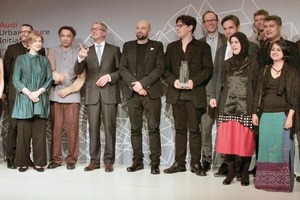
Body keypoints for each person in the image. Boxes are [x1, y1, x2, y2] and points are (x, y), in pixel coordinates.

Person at [163, 15, 213, 176]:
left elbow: (208, 69)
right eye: (176, 25)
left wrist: (194, 81)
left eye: (180, 25)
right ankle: (179, 163)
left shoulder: (202, 47)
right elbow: (165, 70)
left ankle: (195, 163)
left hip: (194, 94)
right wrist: (174, 81)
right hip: (177, 94)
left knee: (195, 130)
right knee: (179, 130)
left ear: (190, 27)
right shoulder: (171, 47)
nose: (177, 28)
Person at [209, 15, 258, 178]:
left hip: (245, 101)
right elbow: (217, 75)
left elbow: (255, 80)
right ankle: (228, 168)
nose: (228, 32)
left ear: (237, 27)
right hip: (227, 101)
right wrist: (214, 96)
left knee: (243, 137)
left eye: (231, 28)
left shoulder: (252, 49)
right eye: (225, 29)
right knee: (227, 136)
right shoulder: (222, 50)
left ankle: (242, 169)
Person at [253, 39, 299, 192]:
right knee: (266, 150)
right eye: (273, 49)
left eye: (278, 50)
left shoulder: (291, 71)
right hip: (266, 116)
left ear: (284, 53)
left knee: (282, 150)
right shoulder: (264, 70)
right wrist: (255, 113)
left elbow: (294, 96)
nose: (275, 52)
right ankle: (265, 182)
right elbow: (258, 93)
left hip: (283, 116)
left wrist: (291, 116)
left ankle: (282, 183)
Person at [74, 21, 121, 172]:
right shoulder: (86, 50)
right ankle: (94, 161)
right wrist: (80, 58)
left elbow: (121, 72)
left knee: (109, 128)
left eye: (97, 29)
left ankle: (108, 161)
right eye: (92, 29)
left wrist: (109, 77)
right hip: (92, 93)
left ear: (104, 32)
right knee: (93, 128)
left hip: (109, 93)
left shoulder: (114, 50)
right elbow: (77, 71)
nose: (94, 31)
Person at [119, 20, 164, 175]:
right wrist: (134, 85)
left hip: (151, 93)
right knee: (135, 129)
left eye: (143, 28)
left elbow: (159, 68)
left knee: (153, 128)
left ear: (149, 30)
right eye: (137, 27)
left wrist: (142, 84)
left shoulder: (157, 46)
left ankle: (155, 163)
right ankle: (137, 162)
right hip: (133, 94)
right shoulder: (127, 46)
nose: (140, 30)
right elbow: (122, 68)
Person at [4, 24, 45, 169]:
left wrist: (36, 92)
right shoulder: (12, 49)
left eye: (27, 32)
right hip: (17, 95)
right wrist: (23, 90)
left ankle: (29, 159)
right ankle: (11, 157)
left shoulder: (41, 53)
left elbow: (44, 76)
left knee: (31, 128)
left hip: (36, 97)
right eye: (21, 32)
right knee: (15, 127)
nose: (24, 34)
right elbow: (8, 73)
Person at [12, 31, 52, 172]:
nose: (38, 43)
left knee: (39, 135)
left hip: (40, 100)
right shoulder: (20, 59)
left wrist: (38, 92)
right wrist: (29, 93)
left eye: (40, 41)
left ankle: (39, 163)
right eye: (35, 41)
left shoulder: (44, 60)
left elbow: (49, 79)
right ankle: (23, 162)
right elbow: (16, 80)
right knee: (23, 135)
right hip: (24, 100)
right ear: (29, 43)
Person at [47, 26, 81, 170]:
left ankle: (72, 159)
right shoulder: (52, 51)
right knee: (56, 129)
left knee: (72, 129)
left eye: (68, 36)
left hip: (72, 96)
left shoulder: (79, 53)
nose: (65, 38)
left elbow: (82, 77)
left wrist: (68, 90)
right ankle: (56, 159)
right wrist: (56, 78)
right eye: (62, 35)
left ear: (72, 38)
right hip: (55, 95)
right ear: (59, 37)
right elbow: (51, 70)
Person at [199, 10, 227, 172]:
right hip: (205, 90)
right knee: (206, 128)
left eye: (213, 20)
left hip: (223, 91)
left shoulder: (228, 40)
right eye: (207, 21)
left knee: (223, 128)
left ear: (217, 22)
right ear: (203, 24)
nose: (210, 23)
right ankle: (206, 159)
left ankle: (224, 161)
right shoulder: (199, 42)